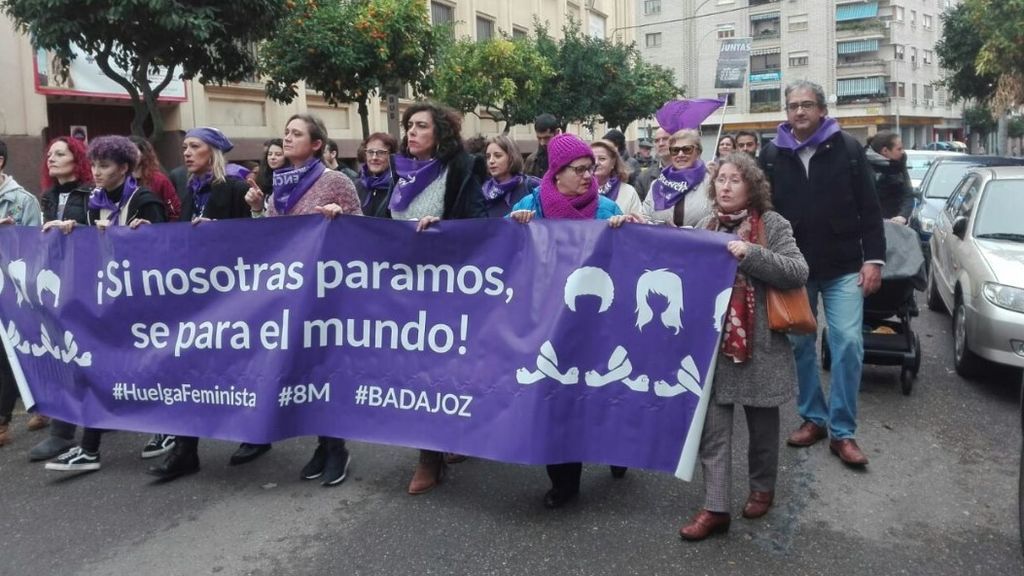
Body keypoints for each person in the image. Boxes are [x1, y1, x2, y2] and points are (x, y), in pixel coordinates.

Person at [506, 133, 640, 509]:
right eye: (580, 170)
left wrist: (631, 227)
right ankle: (564, 482)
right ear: (557, 172)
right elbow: (496, 248)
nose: (588, 177)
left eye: (591, 169)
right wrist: (513, 227)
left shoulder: (608, 209)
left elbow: (639, 253)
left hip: (600, 322)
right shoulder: (531, 206)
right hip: (550, 321)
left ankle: (618, 450)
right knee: (558, 398)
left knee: (605, 390)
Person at [680, 152, 808, 541]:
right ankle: (715, 507)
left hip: (761, 345)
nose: (726, 186)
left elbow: (797, 271)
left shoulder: (772, 224)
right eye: (720, 180)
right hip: (714, 347)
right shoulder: (706, 224)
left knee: (763, 429)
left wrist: (749, 253)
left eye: (735, 179)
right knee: (714, 431)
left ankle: (761, 489)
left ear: (752, 186)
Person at [759, 80, 884, 467]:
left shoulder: (846, 148)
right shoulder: (772, 153)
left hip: (844, 266)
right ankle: (813, 417)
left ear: (822, 110)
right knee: (798, 346)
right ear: (786, 112)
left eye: (807, 105)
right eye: (794, 106)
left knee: (847, 343)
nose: (800, 112)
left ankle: (843, 432)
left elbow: (870, 206)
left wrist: (873, 260)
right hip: (794, 269)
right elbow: (761, 211)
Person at [245, 113, 362, 487]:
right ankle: (321, 445)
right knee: (305, 369)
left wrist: (339, 217)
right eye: (286, 133)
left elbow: (363, 230)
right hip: (292, 293)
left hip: (328, 293)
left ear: (315, 145)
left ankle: (337, 447)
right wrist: (255, 209)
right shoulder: (278, 186)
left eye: (297, 133)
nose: (288, 138)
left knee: (327, 369)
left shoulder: (336, 181)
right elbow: (272, 240)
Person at [42, 135, 166, 472]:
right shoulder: (95, 201)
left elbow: (166, 254)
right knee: (95, 367)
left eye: (105, 165)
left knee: (151, 367)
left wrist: (143, 236)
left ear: (124, 168)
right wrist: (76, 230)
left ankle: (168, 430)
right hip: (107, 299)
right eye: (94, 164)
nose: (96, 171)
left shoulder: (145, 200)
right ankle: (90, 449)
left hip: (143, 304)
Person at [145, 127, 256, 480]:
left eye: (195, 147)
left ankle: (255, 433)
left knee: (238, 370)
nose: (187, 153)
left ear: (214, 152)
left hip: (236, 300)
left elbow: (261, 244)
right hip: (198, 298)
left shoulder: (236, 189)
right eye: (184, 147)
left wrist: (221, 236)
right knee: (187, 369)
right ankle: (185, 450)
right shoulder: (190, 190)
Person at [396, 101, 487, 495]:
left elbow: (480, 221)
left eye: (420, 126)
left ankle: (431, 455)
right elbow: (378, 219)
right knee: (415, 370)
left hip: (447, 288)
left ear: (440, 134)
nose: (411, 133)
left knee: (439, 370)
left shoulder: (462, 169)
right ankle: (435, 447)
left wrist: (444, 228)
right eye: (408, 126)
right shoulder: (401, 174)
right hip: (403, 289)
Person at [26, 136, 95, 460]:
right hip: (58, 286)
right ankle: (62, 431)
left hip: (88, 285)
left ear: (76, 158)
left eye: (59, 153)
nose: (50, 159)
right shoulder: (48, 197)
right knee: (62, 356)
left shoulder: (91, 194)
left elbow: (102, 232)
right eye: (49, 154)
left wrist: (75, 227)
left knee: (91, 357)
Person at [0, 138, 44, 447]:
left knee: (13, 351)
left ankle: (3, 420)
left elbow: (34, 248)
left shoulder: (22, 200)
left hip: (11, 288)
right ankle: (40, 403)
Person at [641, 128, 713, 227]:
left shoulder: (711, 183)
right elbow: (644, 218)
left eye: (687, 149)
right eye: (675, 150)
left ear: (698, 152)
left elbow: (717, 219)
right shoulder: (657, 185)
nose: (680, 154)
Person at [481, 134, 538, 218]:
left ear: (511, 157)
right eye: (488, 157)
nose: (491, 161)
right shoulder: (483, 191)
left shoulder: (531, 185)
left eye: (497, 156)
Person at [130, 136, 181, 222]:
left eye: (132, 151)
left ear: (143, 153)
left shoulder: (159, 180)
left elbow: (174, 211)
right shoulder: (118, 180)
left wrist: (165, 231)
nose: (129, 155)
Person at [866, 131, 913, 224]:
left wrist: (903, 215)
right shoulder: (864, 165)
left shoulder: (899, 164)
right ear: (885, 151)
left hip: (896, 224)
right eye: (899, 149)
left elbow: (908, 193)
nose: (902, 152)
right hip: (872, 224)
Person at [591, 139, 643, 217]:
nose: (596, 163)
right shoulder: (579, 190)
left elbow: (638, 223)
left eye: (602, 159)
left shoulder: (628, 192)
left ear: (613, 163)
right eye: (592, 159)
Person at [354, 132, 396, 218]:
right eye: (370, 152)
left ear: (391, 155)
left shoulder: (397, 187)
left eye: (381, 152)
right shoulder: (357, 186)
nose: (374, 157)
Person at [636, 127, 671, 201]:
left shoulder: (689, 172)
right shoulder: (643, 177)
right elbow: (640, 210)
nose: (661, 144)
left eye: (665, 139)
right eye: (657, 141)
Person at [524, 113, 561, 178]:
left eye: (546, 138)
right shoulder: (531, 160)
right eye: (539, 138)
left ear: (556, 133)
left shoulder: (567, 158)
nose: (542, 143)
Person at [254, 138, 286, 207]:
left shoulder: (292, 179)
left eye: (278, 154)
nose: (272, 157)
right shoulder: (261, 177)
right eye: (270, 154)